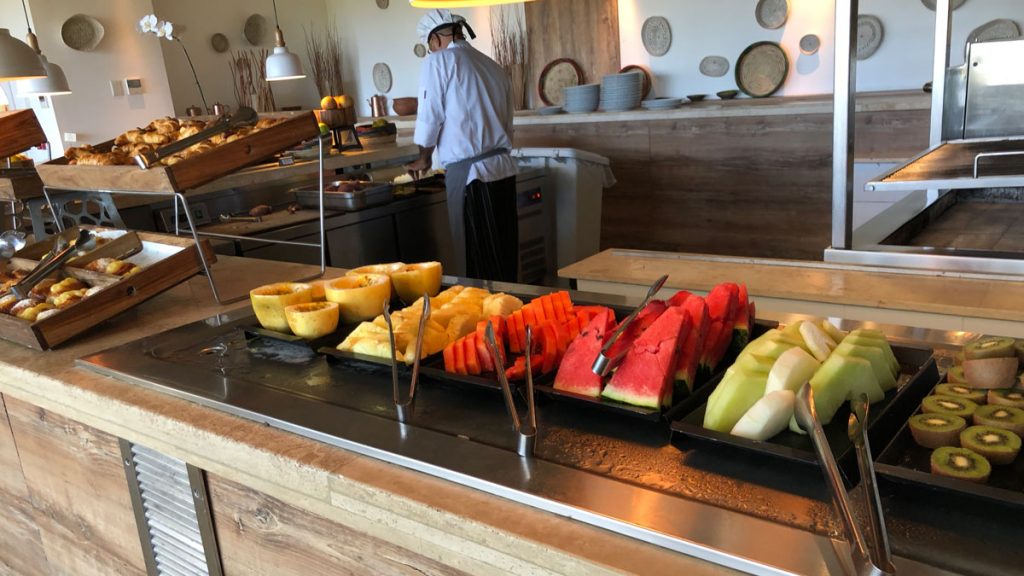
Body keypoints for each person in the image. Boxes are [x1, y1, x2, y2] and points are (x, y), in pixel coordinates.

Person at [407, 9, 518, 283]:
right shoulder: (492, 66)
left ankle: (487, 322)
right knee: (504, 258)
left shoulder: (439, 62)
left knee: (479, 264)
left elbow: (429, 115)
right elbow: (508, 122)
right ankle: (513, 316)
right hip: (502, 169)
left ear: (435, 40)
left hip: (472, 177)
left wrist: (424, 156)